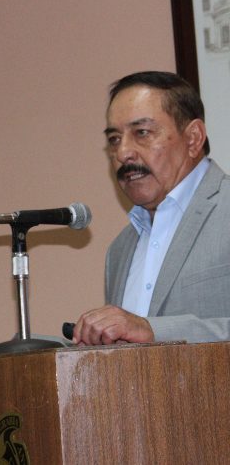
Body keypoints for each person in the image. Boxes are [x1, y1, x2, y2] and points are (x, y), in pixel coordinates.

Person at [73, 70, 230, 346]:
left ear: (193, 138)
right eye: (114, 139)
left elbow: (151, 331)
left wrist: (154, 330)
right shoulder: (119, 250)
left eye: (142, 133)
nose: (123, 153)